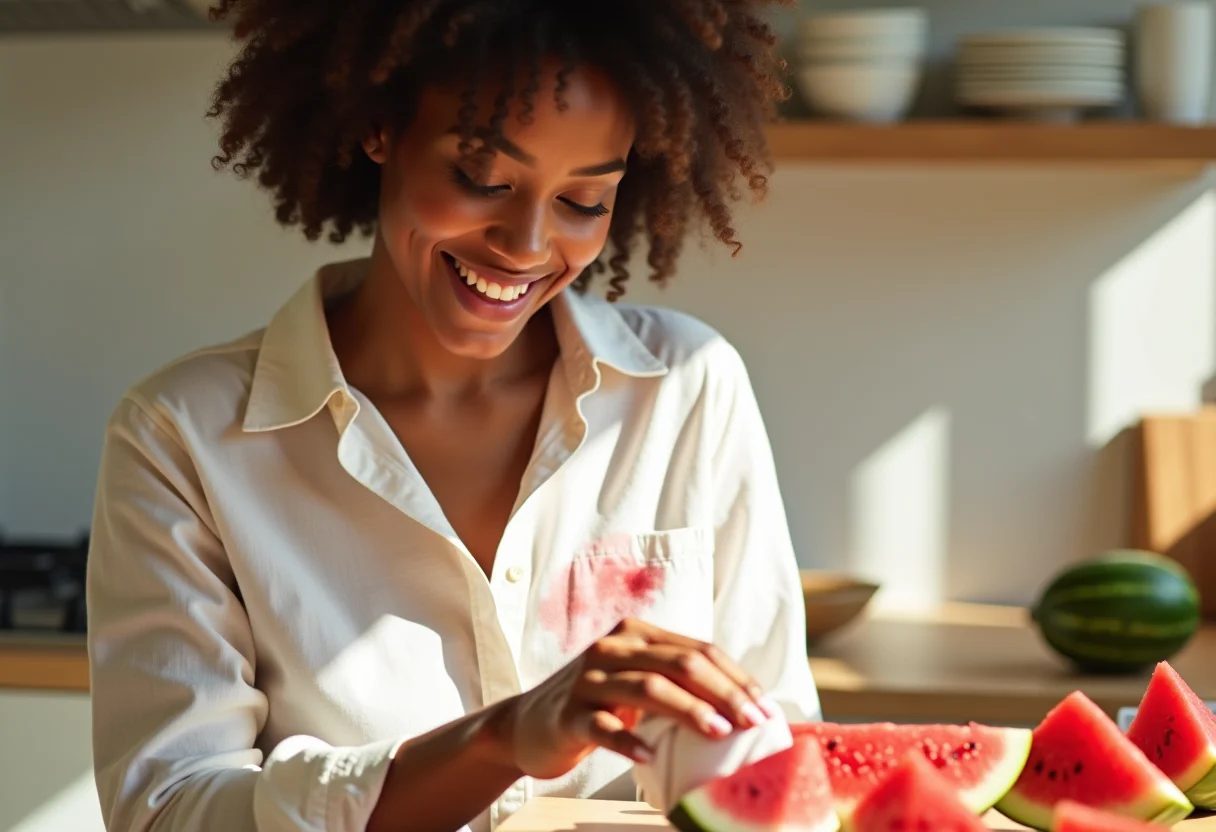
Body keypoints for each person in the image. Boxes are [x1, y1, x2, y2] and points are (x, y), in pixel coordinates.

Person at [85, 2, 820, 831]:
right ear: (378, 127)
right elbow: (170, 811)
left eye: (585, 200)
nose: (527, 243)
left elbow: (778, 754)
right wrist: (503, 739)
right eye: (483, 180)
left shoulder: (687, 390)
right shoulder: (182, 436)